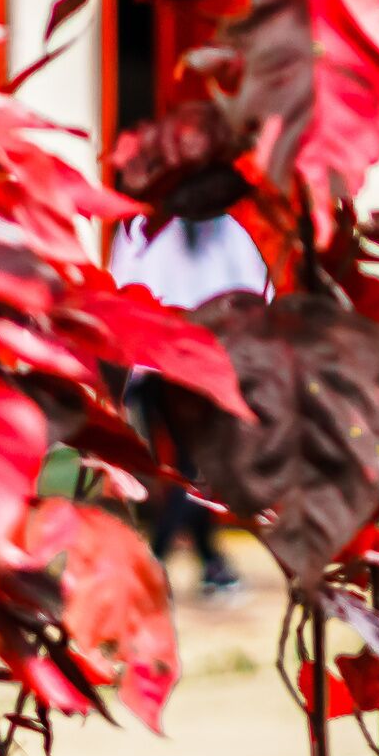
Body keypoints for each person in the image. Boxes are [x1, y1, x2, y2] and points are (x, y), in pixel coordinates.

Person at [110, 205, 267, 602]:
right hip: (158, 367)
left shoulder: (226, 229)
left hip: (206, 368)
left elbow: (255, 295)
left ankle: (193, 561)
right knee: (190, 465)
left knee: (189, 464)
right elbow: (121, 295)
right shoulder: (140, 227)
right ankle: (176, 562)